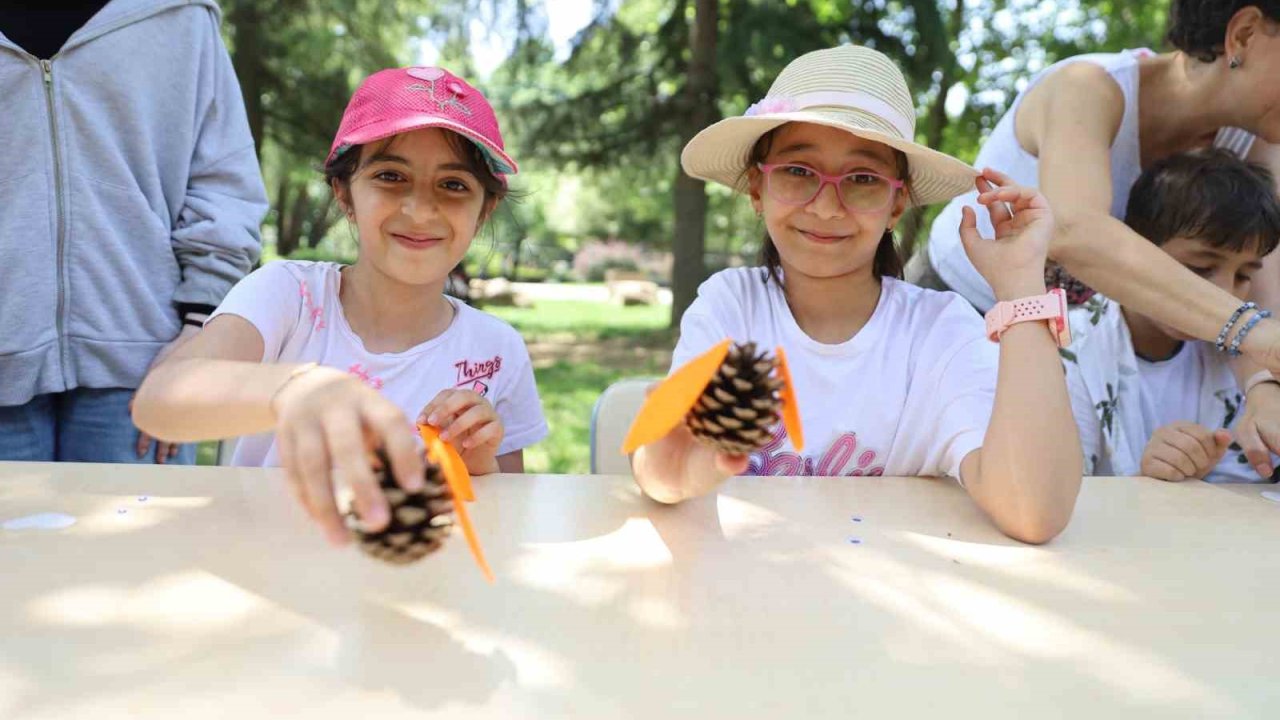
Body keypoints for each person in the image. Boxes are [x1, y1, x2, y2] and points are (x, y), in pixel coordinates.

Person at [630, 45, 1082, 544]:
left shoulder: (940, 330)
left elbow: (1033, 511)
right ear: (758, 189)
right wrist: (676, 469)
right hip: (742, 602)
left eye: (863, 180)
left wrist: (1020, 286)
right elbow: (662, 471)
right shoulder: (730, 305)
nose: (826, 207)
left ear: (896, 204)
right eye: (799, 171)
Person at [133, 66, 548, 546]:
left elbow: (512, 518)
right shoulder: (286, 294)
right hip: (269, 574)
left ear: (484, 210)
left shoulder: (498, 349)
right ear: (345, 193)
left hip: (417, 591)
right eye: (391, 176)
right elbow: (159, 402)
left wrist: (478, 462)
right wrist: (294, 390)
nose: (419, 210)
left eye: (453, 185)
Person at [912, 0, 1280, 478]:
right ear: (1245, 35)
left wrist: (1261, 389)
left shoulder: (1256, 142)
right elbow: (1074, 231)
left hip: (1073, 353)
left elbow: (1257, 283)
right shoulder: (1084, 90)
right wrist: (1250, 333)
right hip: (959, 315)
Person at [0, 0, 268, 464]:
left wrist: (199, 329)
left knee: (139, 540)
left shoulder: (179, 15)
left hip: (149, 365)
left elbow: (223, 184)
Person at [1065, 148, 1280, 482]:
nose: (1224, 295)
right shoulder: (1068, 350)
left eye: (1243, 275)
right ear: (1137, 250)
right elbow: (1055, 494)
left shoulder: (1242, 361)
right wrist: (1148, 477)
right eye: (1200, 268)